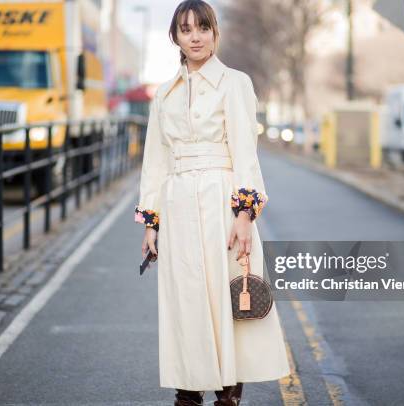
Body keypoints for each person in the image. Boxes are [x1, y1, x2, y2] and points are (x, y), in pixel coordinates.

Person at [134, 1, 291, 404]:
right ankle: (187, 395)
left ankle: (228, 396)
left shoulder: (234, 83)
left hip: (222, 202)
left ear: (214, 32)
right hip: (178, 206)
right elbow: (156, 161)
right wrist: (152, 221)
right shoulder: (164, 95)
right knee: (185, 304)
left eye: (203, 28)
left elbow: (245, 152)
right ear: (175, 38)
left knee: (225, 301)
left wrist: (244, 215)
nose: (195, 36)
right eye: (186, 30)